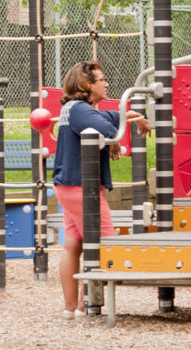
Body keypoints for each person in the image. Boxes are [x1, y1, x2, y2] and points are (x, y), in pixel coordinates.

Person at [52, 60, 147, 316]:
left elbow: (112, 117)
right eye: (102, 80)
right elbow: (107, 128)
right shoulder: (80, 109)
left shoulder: (75, 109)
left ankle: (73, 307)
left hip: (68, 185)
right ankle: (92, 303)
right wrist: (114, 139)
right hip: (81, 188)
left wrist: (136, 118)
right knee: (105, 243)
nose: (106, 83)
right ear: (87, 84)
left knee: (73, 245)